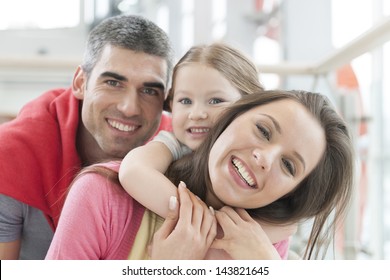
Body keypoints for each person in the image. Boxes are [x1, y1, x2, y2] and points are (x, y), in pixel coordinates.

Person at [45, 89, 354, 260]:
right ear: (228, 119)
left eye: (289, 166)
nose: (265, 157)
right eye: (262, 130)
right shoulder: (102, 196)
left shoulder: (263, 247)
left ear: (292, 193)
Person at [0, 14, 174, 260]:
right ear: (81, 82)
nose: (129, 108)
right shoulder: (10, 156)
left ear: (166, 100)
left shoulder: (178, 152)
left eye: (148, 90)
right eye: (113, 82)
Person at [118, 42, 294, 255]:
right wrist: (203, 223)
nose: (197, 113)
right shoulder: (173, 143)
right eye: (185, 100)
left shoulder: (259, 160)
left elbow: (287, 224)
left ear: (250, 106)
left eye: (215, 100)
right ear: (171, 105)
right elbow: (132, 171)